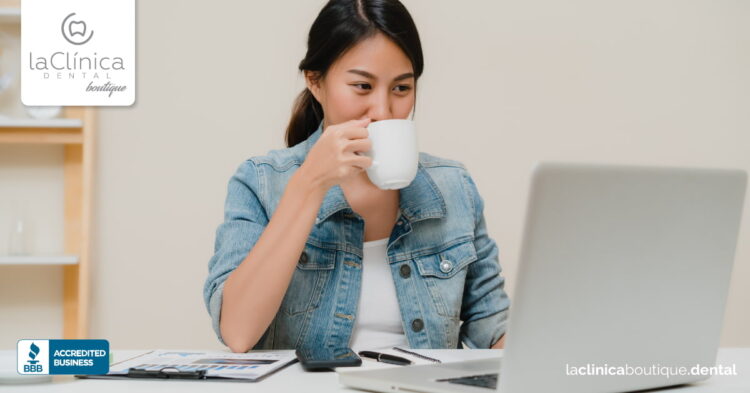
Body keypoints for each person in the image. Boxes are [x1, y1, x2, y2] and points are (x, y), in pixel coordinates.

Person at [203, 0, 510, 353]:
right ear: (315, 82)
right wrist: (309, 185)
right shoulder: (260, 182)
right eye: (363, 87)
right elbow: (238, 333)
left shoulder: (455, 187)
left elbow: (493, 329)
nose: (382, 111)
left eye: (401, 89)